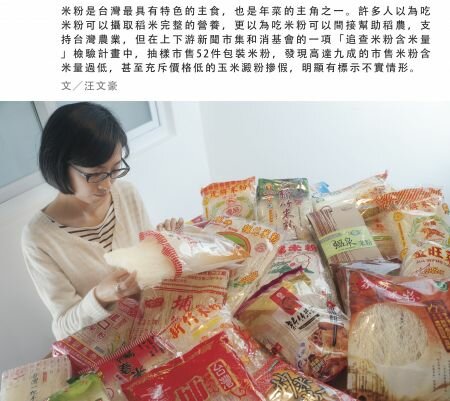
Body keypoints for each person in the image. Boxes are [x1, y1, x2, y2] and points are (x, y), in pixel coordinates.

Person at [22, 102, 183, 340]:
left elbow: (150, 276)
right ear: (60, 165)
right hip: (108, 347)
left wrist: (166, 243)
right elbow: (63, 328)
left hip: (156, 327)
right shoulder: (39, 238)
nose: (107, 184)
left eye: (115, 169)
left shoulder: (126, 193)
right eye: (95, 174)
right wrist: (100, 296)